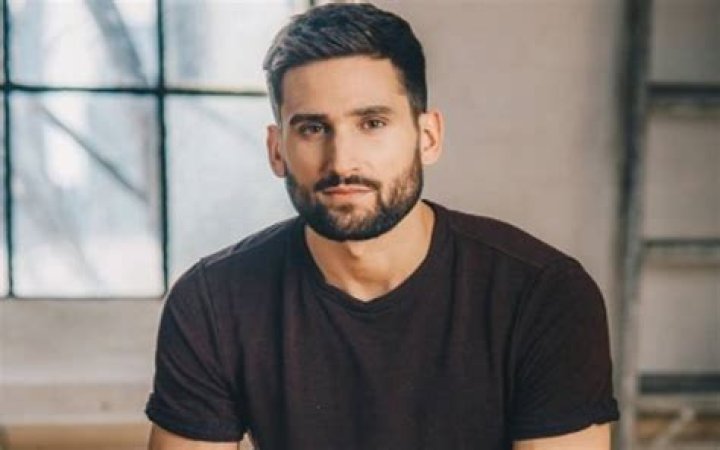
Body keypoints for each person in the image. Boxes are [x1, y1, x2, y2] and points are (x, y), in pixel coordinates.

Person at [146, 3, 619, 449]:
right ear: (277, 150)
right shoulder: (212, 302)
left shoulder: (543, 295)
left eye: (372, 123)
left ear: (427, 137)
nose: (342, 161)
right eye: (312, 128)